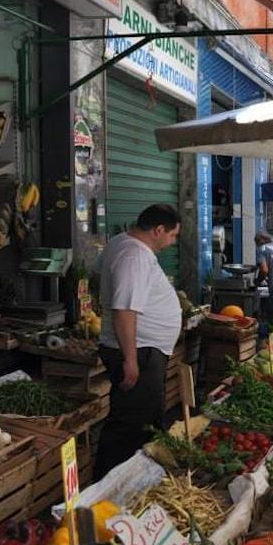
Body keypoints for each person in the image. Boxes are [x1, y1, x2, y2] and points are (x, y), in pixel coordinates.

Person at [95, 204, 182, 479]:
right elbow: (124, 310)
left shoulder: (124, 244)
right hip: (138, 353)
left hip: (143, 350)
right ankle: (110, 488)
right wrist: (130, 360)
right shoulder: (134, 255)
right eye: (172, 236)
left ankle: (133, 483)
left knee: (142, 421)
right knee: (130, 426)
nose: (172, 243)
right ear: (158, 230)